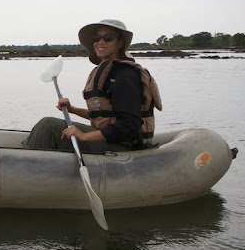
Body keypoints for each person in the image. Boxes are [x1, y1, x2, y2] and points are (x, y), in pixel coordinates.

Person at [24, 19, 161, 153]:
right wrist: (72, 109)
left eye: (108, 38)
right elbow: (103, 117)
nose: (100, 42)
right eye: (96, 38)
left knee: (48, 126)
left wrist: (84, 136)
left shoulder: (125, 76)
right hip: (112, 140)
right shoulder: (111, 72)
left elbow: (129, 127)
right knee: (47, 126)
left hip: (125, 147)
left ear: (120, 43)